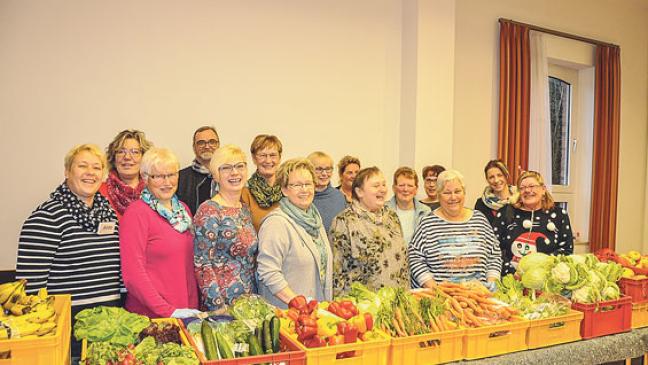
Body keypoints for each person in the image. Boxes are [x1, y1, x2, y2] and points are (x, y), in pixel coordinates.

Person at [16, 144, 121, 359]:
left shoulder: (108, 214)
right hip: (69, 335)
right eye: (82, 166)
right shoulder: (46, 217)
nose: (90, 173)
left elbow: (117, 271)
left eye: (96, 167)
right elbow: (31, 289)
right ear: (67, 171)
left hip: (112, 332)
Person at [120, 147, 199, 318]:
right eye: (159, 176)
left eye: (171, 174)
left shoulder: (183, 210)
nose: (167, 182)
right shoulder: (136, 213)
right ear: (145, 178)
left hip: (185, 311)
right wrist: (167, 311)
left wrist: (190, 308)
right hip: (152, 315)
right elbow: (133, 275)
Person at [257, 158, 332, 309]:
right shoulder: (276, 223)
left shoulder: (315, 220)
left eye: (308, 184)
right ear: (284, 190)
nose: (304, 190)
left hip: (315, 313)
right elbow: (268, 272)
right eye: (297, 185)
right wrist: (297, 302)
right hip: (287, 316)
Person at [409, 170, 502, 289]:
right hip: (440, 298)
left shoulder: (479, 219)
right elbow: (415, 258)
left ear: (464, 193)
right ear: (438, 195)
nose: (453, 197)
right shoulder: (427, 223)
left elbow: (494, 255)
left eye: (457, 191)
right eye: (447, 193)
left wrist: (492, 283)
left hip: (478, 297)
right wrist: (434, 289)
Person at [193, 145, 258, 310]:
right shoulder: (209, 210)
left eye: (240, 166)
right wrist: (219, 309)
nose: (235, 173)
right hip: (222, 307)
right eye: (226, 168)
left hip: (247, 304)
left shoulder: (243, 209)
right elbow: (202, 265)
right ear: (215, 175)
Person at [330, 167, 409, 296]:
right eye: (376, 186)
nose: (382, 189)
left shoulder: (392, 217)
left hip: (397, 303)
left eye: (384, 184)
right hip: (363, 306)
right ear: (359, 192)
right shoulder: (344, 221)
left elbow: (404, 265)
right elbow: (337, 271)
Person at [494, 170, 574, 275]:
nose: (527, 190)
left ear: (543, 190)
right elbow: (494, 249)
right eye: (522, 188)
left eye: (532, 186)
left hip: (548, 279)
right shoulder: (506, 213)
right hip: (511, 279)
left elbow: (566, 250)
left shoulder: (559, 215)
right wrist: (513, 272)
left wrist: (543, 270)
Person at [99, 129, 153, 220]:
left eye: (135, 152)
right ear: (113, 158)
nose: (127, 157)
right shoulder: (99, 192)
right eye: (121, 151)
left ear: (144, 158)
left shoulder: (154, 192)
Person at [241, 134, 283, 231]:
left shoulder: (288, 189)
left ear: (279, 158)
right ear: (254, 159)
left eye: (273, 155)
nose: (268, 161)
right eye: (263, 155)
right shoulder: (245, 192)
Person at [177, 126, 220, 215]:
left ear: (218, 145)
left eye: (212, 142)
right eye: (201, 143)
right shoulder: (180, 178)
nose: (207, 146)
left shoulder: (229, 176)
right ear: (194, 147)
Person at [386, 167, 431, 245]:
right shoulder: (383, 210)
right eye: (401, 185)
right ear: (394, 188)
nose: (405, 189)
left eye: (410, 186)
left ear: (416, 189)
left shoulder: (426, 212)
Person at [307, 151, 346, 233]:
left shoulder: (339, 197)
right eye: (319, 169)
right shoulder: (303, 198)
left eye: (328, 169)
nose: (324, 174)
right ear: (308, 170)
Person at [474, 159, 519, 226]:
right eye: (491, 177)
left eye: (499, 175)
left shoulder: (519, 199)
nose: (496, 180)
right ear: (487, 180)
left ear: (506, 175)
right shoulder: (481, 204)